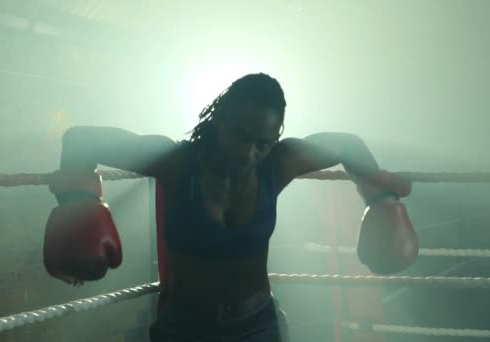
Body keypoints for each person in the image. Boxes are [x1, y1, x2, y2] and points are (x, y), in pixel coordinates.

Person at [42, 73, 418, 341]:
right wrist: (77, 202)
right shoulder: (175, 161)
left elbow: (347, 145)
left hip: (257, 324)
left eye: (263, 142)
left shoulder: (279, 163)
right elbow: (80, 139)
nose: (250, 152)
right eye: (241, 137)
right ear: (218, 119)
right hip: (186, 327)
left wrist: (381, 194)